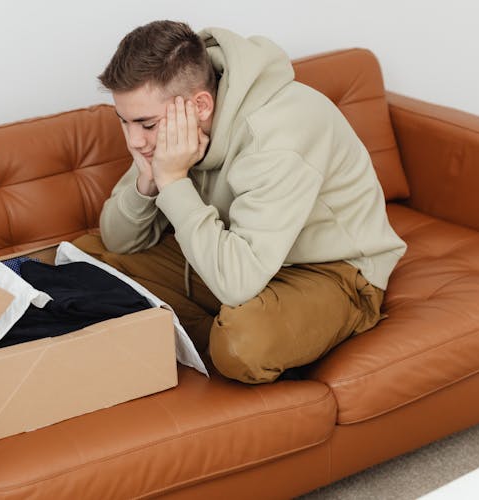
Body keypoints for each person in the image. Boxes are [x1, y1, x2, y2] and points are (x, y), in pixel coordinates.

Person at [71, 20, 407, 383]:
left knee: (242, 344)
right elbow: (118, 241)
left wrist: (173, 180)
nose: (135, 140)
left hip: (331, 272)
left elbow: (237, 284)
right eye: (124, 122)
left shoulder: (279, 135)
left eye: (147, 125)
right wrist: (150, 178)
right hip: (238, 256)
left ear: (200, 105)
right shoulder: (172, 127)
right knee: (86, 260)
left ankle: (223, 331)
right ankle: (223, 330)